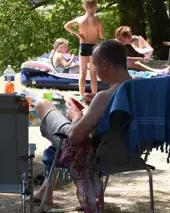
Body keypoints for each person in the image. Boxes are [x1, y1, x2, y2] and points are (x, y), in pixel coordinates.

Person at [32, 40, 132, 207]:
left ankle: (45, 191)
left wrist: (77, 115)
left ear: (105, 65)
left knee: (43, 104)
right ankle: (45, 190)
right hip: (129, 152)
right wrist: (93, 107)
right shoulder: (138, 90)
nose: (93, 69)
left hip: (91, 151)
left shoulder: (106, 96)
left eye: (94, 64)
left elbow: (75, 137)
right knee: (54, 148)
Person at [64, 0, 104, 96]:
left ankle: (82, 96)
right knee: (93, 74)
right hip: (94, 47)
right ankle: (94, 96)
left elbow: (67, 26)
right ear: (95, 7)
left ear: (84, 7)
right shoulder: (98, 21)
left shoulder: (80, 19)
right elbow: (101, 36)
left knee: (82, 73)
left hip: (83, 46)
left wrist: (78, 34)